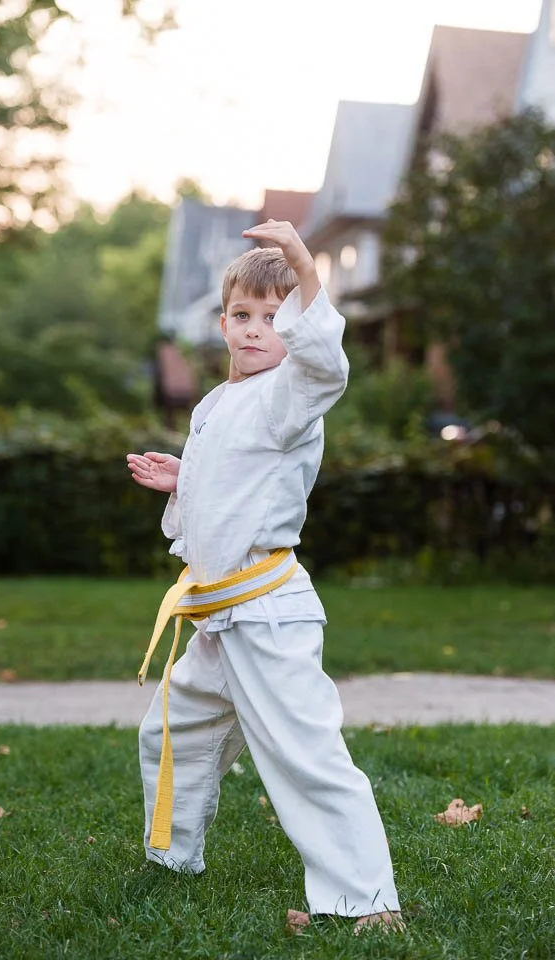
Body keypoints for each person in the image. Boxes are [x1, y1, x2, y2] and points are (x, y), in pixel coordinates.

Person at [126, 220, 402, 933]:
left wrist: (306, 265)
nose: (255, 331)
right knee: (173, 733)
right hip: (217, 619)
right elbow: (233, 495)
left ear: (296, 328)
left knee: (303, 756)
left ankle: (367, 904)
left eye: (274, 319)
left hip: (268, 614)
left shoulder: (290, 392)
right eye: (243, 316)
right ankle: (172, 857)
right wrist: (185, 481)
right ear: (222, 323)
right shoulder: (216, 404)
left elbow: (325, 366)